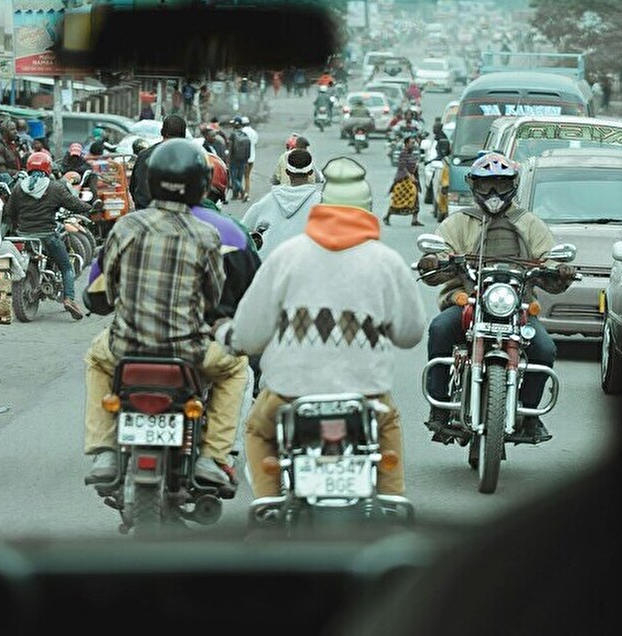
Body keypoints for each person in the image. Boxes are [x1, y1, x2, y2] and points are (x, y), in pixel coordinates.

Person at [214, 155, 425, 500]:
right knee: (388, 426)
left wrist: (230, 337)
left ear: (323, 207)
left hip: (291, 391)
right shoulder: (387, 262)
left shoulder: (287, 256)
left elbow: (250, 335)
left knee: (257, 430)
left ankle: (268, 503)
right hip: (365, 394)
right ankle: (392, 501)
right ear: (368, 210)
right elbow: (411, 332)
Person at [81, 139, 250, 488]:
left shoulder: (126, 226)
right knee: (237, 367)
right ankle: (213, 456)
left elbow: (107, 288)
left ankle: (104, 449)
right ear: (201, 185)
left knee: (96, 360)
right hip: (188, 354)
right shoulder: (207, 235)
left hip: (126, 349)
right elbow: (212, 297)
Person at [417, 152, 576, 445]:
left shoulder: (529, 223)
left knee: (545, 348)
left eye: (501, 185)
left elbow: (549, 261)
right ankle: (438, 407)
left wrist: (559, 271)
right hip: (469, 303)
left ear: (513, 186)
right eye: (486, 185)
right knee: (440, 329)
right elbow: (438, 257)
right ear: (473, 186)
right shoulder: (458, 222)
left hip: (519, 309)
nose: (493, 192)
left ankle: (530, 415)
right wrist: (433, 262)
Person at [3, 151, 98, 321]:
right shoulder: (54, 187)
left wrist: (19, 226)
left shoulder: (19, 187)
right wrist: (89, 206)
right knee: (66, 266)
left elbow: (10, 212)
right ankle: (69, 298)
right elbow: (74, 203)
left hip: (23, 236)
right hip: (47, 235)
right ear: (48, 168)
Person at [241, 148, 321, 260]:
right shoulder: (322, 203)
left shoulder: (267, 200)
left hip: (271, 268)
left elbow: (242, 227)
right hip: (307, 267)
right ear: (311, 172)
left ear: (287, 173)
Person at [129, 113, 187, 210]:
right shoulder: (190, 158)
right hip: (177, 217)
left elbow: (134, 188)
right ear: (184, 135)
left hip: (145, 216)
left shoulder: (144, 156)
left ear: (161, 132)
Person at [387, 134, 424, 226]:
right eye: (411, 143)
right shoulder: (403, 154)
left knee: (415, 200)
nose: (413, 144)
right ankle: (387, 216)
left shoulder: (412, 153)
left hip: (412, 179)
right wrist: (410, 176)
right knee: (399, 200)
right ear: (406, 144)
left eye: (414, 143)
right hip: (403, 180)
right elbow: (402, 167)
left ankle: (414, 220)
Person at [226, 118, 252, 201]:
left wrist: (228, 159)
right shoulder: (244, 134)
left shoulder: (233, 135)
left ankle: (242, 193)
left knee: (234, 178)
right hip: (243, 159)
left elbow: (230, 148)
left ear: (234, 125)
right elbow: (248, 148)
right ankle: (236, 195)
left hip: (234, 159)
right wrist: (247, 160)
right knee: (239, 178)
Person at [239, 116, 259, 202]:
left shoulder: (241, 132)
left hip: (243, 158)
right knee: (247, 176)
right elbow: (255, 144)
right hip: (252, 157)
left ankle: (242, 193)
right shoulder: (254, 132)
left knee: (240, 176)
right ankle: (247, 192)